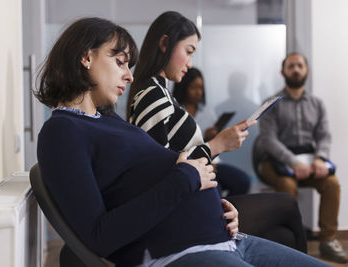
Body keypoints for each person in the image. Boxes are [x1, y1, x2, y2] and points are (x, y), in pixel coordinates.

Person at [35, 17, 328, 267]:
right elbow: (98, 236)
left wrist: (218, 210)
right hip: (180, 253)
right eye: (120, 61)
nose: (129, 75)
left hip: (226, 240)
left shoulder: (107, 121)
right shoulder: (62, 132)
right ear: (86, 57)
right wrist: (186, 177)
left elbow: (147, 184)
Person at [127, 11, 307, 253]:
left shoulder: (161, 93)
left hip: (199, 205)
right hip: (187, 218)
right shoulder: (153, 95)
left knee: (283, 235)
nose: (190, 63)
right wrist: (217, 145)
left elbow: (172, 162)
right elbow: (160, 173)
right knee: (287, 206)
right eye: (189, 51)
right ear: (164, 44)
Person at [254, 52, 347, 264]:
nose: (295, 69)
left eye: (299, 65)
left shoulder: (317, 104)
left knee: (332, 184)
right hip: (275, 162)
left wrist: (320, 159)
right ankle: (290, 244)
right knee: (287, 185)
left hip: (309, 161)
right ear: (283, 72)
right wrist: (292, 162)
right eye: (291, 66)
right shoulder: (271, 103)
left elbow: (324, 135)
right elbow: (268, 139)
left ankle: (328, 241)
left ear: (306, 70)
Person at [173, 67, 251, 196]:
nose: (198, 92)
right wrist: (204, 136)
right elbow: (179, 146)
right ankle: (219, 212)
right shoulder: (176, 112)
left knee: (243, 181)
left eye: (201, 88)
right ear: (183, 87)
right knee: (215, 191)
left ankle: (229, 212)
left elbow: (216, 141)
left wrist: (214, 136)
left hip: (213, 160)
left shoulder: (207, 111)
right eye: (193, 87)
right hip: (192, 163)